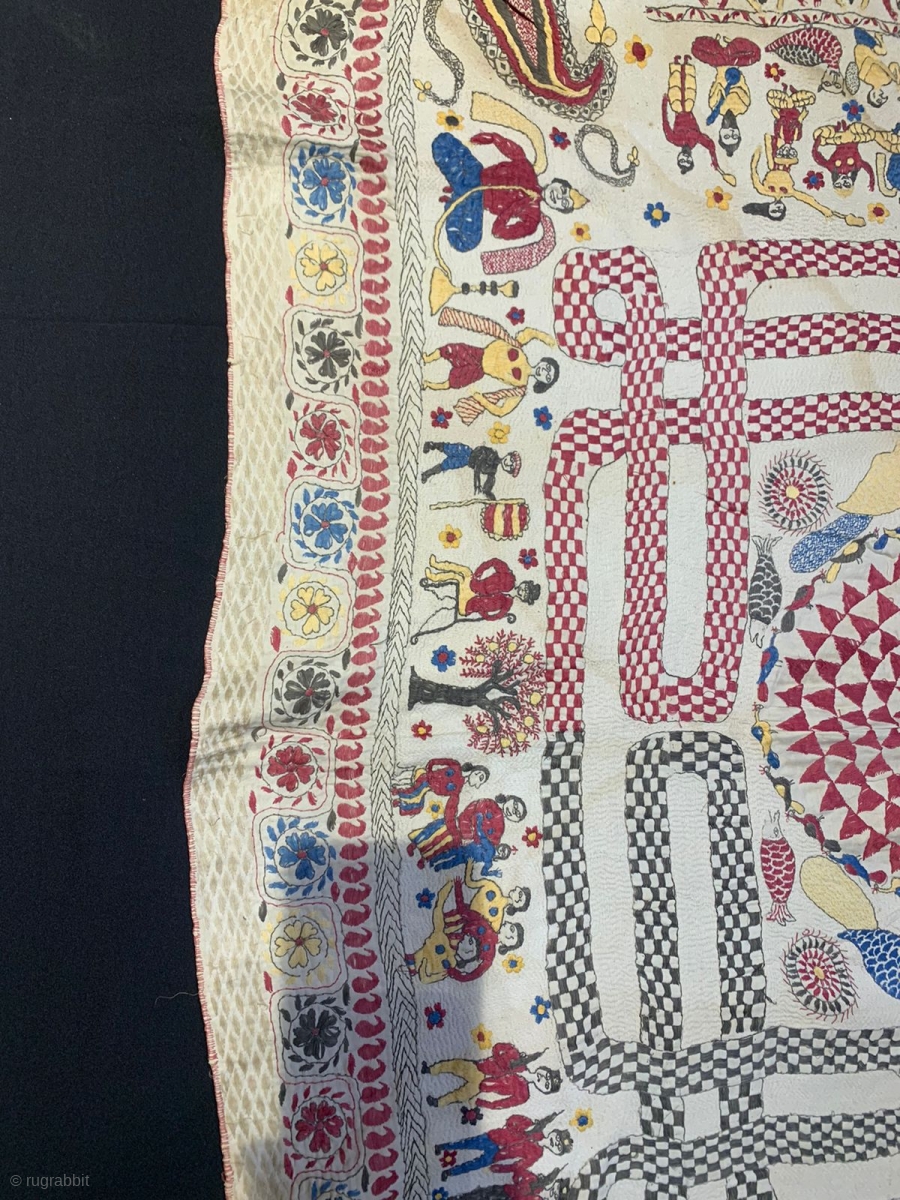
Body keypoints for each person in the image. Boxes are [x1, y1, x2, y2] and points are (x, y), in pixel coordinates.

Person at [423, 306, 558, 425]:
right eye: (547, 367)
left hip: (477, 371)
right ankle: (427, 358)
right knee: (450, 349)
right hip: (476, 353)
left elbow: (501, 411)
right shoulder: (517, 346)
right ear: (543, 361)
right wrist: (547, 339)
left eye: (547, 377)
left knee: (453, 382)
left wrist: (481, 399)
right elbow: (529, 333)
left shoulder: (520, 388)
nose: (543, 371)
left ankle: (428, 384)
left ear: (542, 383)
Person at [411, 555, 541, 643]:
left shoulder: (507, 604)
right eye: (525, 588)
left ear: (524, 599)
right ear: (524, 583)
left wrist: (481, 611)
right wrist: (479, 573)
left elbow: (494, 617)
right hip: (472, 587)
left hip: (468, 605)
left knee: (459, 577)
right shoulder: (509, 576)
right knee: (465, 571)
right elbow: (494, 561)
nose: (522, 591)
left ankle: (434, 577)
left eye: (525, 595)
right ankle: (435, 568)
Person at [743, 133, 865, 226]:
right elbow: (808, 200)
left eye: (773, 211)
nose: (777, 208)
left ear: (768, 208)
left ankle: (773, 136)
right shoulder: (790, 192)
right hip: (787, 162)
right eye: (780, 211)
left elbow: (754, 175)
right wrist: (824, 210)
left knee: (772, 153)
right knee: (787, 139)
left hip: (773, 161)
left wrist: (756, 156)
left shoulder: (763, 190)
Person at [409, 793, 527, 878]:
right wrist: (468, 834)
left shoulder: (500, 830)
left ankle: (423, 859)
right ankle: (413, 845)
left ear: (515, 820)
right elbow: (474, 812)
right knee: (434, 834)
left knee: (442, 848)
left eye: (516, 813)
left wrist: (473, 842)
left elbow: (488, 842)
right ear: (509, 799)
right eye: (515, 805)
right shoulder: (490, 804)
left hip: (463, 840)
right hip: (459, 826)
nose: (513, 810)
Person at [407, 877, 499, 984]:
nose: (465, 939)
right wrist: (453, 889)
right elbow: (441, 908)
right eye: (468, 939)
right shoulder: (441, 937)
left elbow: (426, 979)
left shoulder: (450, 960)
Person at [662, 57, 736, 184]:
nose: (686, 157)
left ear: (678, 157)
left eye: (682, 160)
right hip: (689, 107)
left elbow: (665, 122)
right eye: (688, 161)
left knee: (675, 88)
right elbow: (710, 144)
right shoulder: (695, 140)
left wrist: (664, 103)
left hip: (677, 108)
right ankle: (686, 64)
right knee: (689, 88)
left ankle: (677, 64)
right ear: (692, 159)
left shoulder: (674, 139)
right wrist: (715, 162)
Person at [422, 1042, 562, 1109]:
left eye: (546, 1084)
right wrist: (499, 1059)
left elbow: (503, 1104)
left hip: (481, 1087)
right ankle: (430, 1069)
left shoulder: (523, 1094)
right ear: (543, 1069)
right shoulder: (516, 1056)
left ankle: (438, 1102)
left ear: (543, 1090)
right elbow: (497, 1047)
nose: (543, 1079)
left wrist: (485, 1104)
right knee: (454, 1065)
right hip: (479, 1068)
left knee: (459, 1095)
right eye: (547, 1075)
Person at [437, 1114, 572, 1181]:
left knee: (474, 1164)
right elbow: (512, 1120)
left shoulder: (537, 1153)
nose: (555, 1142)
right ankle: (443, 1147)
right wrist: (525, 1127)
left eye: (558, 1146)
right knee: (467, 1143)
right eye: (558, 1138)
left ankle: (450, 1172)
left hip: (498, 1155)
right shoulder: (533, 1126)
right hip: (494, 1138)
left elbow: (519, 1165)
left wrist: (501, 1169)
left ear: (557, 1152)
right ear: (554, 1132)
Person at [691, 36, 759, 157]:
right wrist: (729, 87)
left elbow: (716, 86)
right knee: (756, 54)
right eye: (735, 136)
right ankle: (729, 44)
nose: (731, 131)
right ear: (739, 133)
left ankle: (720, 45)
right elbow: (740, 90)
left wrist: (721, 96)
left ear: (721, 132)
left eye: (727, 136)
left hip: (719, 63)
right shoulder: (743, 107)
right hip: (735, 62)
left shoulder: (714, 106)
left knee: (696, 49)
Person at [391, 757, 489, 817]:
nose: (477, 777)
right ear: (474, 770)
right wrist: (429, 769)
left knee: (418, 806)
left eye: (481, 779)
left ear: (478, 785)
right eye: (478, 774)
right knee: (415, 793)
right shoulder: (456, 766)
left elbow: (451, 809)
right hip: (424, 777)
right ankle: (395, 792)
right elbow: (437, 761)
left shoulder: (457, 789)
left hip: (426, 787)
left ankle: (398, 801)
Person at [420, 443, 521, 500]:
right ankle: (431, 445)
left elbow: (487, 489)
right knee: (448, 448)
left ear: (508, 471)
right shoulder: (492, 453)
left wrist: (492, 500)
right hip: (466, 451)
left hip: (465, 461)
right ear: (508, 454)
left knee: (447, 465)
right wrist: (477, 485)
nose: (508, 464)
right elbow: (478, 463)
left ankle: (426, 474)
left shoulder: (492, 471)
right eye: (511, 460)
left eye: (511, 467)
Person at [811, 123, 876, 196]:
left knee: (818, 134)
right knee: (871, 135)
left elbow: (817, 158)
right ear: (852, 183)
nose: (843, 181)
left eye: (838, 185)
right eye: (847, 184)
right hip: (853, 136)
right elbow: (868, 168)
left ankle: (836, 128)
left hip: (837, 139)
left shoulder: (832, 167)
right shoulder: (856, 166)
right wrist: (871, 183)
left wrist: (817, 141)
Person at [850, 29, 900, 108]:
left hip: (862, 45)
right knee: (883, 51)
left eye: (878, 99)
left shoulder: (863, 77)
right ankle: (878, 37)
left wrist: (880, 63)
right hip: (871, 49)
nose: (882, 96)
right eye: (882, 98)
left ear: (872, 94)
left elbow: (869, 60)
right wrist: (898, 78)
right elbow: (894, 65)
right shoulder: (887, 81)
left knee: (857, 30)